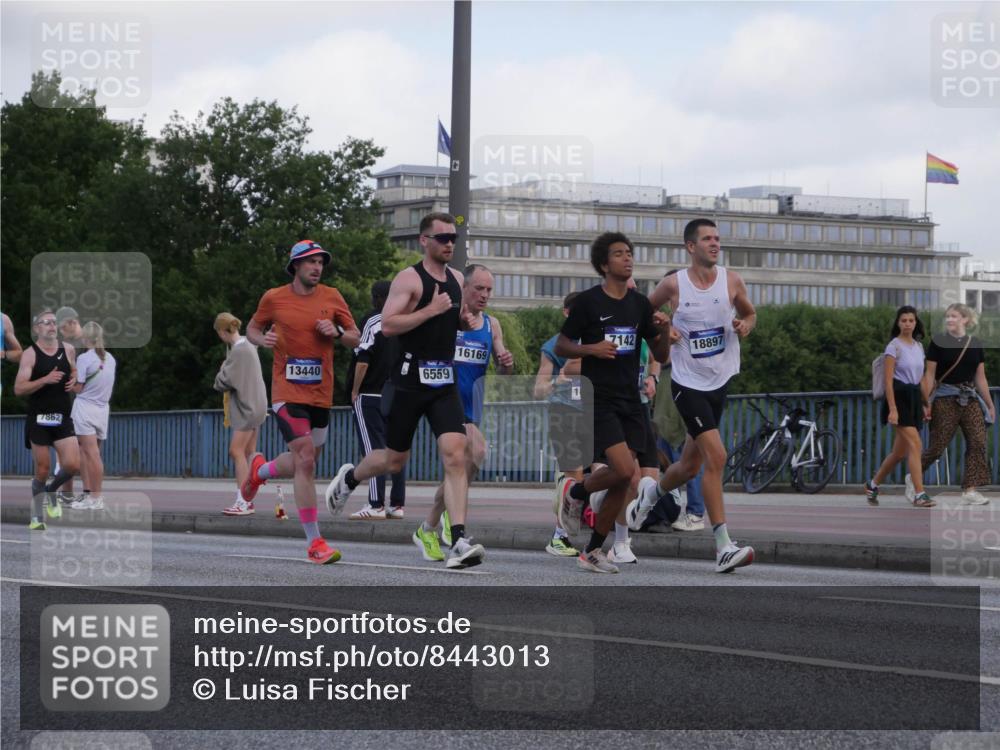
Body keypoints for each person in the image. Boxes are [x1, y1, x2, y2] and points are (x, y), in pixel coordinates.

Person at [327, 212, 487, 570]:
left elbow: (454, 317)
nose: (449, 244)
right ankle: (350, 478)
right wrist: (430, 309)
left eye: (453, 239)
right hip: (407, 382)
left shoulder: (458, 279)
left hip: (442, 381)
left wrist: (463, 320)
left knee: (456, 455)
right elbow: (387, 324)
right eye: (442, 238)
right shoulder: (409, 279)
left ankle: (459, 539)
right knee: (393, 460)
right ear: (424, 241)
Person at [637, 218, 757, 574]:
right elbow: (643, 316)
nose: (715, 243)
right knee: (716, 458)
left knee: (689, 465)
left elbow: (749, 313)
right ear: (691, 246)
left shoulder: (731, 280)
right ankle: (722, 545)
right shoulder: (673, 285)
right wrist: (664, 329)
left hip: (719, 381)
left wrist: (745, 325)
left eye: (717, 238)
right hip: (687, 384)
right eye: (707, 239)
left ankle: (652, 494)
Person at [553, 231, 670, 574]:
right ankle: (575, 492)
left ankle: (591, 550)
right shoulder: (589, 302)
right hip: (599, 398)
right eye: (619, 254)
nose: (628, 258)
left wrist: (664, 329)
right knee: (622, 469)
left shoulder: (640, 304)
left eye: (630, 252)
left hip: (631, 400)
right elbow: (562, 345)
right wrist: (591, 349)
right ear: (604, 264)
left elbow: (660, 353)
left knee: (623, 480)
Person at [239, 240, 360, 564]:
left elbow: (356, 337)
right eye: (310, 262)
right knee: (305, 457)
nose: (317, 267)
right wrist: (260, 339)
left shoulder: (332, 297)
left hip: (320, 394)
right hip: (286, 392)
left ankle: (260, 471)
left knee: (305, 460)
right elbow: (252, 327)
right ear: (295, 265)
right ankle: (314, 542)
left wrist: (335, 331)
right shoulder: (274, 297)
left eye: (320, 262)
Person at [419, 263, 514, 557]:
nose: (484, 295)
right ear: (465, 288)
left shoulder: (491, 325)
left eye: (489, 290)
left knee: (458, 470)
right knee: (479, 451)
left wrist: (504, 364)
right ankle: (447, 522)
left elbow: (501, 367)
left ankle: (429, 526)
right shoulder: (449, 318)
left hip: (472, 406)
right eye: (479, 289)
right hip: (445, 402)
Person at [919, 302, 995, 505]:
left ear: (965, 320)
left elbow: (981, 378)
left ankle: (970, 489)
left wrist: (989, 404)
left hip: (969, 398)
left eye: (954, 316)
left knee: (978, 442)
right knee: (937, 446)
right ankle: (914, 479)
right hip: (945, 397)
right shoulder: (939, 341)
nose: (950, 320)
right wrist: (925, 402)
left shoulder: (975, 343)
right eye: (948, 317)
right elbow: (929, 375)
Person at [14, 309, 80, 529]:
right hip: (39, 418)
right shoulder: (30, 354)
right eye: (46, 322)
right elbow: (19, 388)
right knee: (42, 469)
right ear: (37, 329)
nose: (52, 326)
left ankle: (51, 492)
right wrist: (45, 379)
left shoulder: (68, 349)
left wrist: (74, 377)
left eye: (54, 322)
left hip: (62, 416)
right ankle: (36, 516)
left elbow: (73, 370)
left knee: (72, 465)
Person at [346, 281, 407, 520]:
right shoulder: (405, 321)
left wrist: (354, 390)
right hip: (398, 394)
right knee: (396, 450)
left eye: (374, 297)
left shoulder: (373, 320)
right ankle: (397, 504)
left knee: (373, 450)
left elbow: (363, 359)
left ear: (378, 298)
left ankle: (376, 503)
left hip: (371, 393)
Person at [862, 307, 933, 507]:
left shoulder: (919, 347)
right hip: (898, 399)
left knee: (899, 453)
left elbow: (920, 380)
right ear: (898, 323)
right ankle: (919, 494)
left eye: (911, 320)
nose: (908, 324)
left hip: (913, 399)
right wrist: (892, 409)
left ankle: (872, 484)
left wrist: (927, 404)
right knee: (916, 444)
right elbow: (888, 383)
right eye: (904, 320)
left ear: (916, 323)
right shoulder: (893, 347)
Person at [533, 291, 584, 557]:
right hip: (564, 412)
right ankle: (558, 535)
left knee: (594, 474)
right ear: (566, 313)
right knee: (573, 475)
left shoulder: (594, 341)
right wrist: (558, 381)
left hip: (596, 415)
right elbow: (538, 390)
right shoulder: (555, 345)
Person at [213, 312, 267, 516]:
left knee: (236, 452)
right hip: (258, 406)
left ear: (222, 331)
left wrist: (221, 369)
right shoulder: (249, 343)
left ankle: (243, 501)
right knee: (248, 453)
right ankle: (249, 499)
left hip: (246, 408)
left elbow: (222, 382)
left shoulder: (238, 351)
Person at [68, 322, 117, 511]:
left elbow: (78, 387)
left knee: (90, 454)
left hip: (85, 408)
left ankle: (95, 497)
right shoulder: (110, 358)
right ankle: (89, 494)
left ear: (85, 338)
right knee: (90, 453)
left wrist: (67, 383)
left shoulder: (84, 358)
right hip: (102, 409)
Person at [53, 306, 84, 504]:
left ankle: (76, 492)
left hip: (81, 402)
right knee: (69, 448)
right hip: (68, 402)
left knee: (83, 449)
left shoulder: (82, 344)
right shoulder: (65, 345)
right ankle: (66, 493)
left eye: (63, 328)